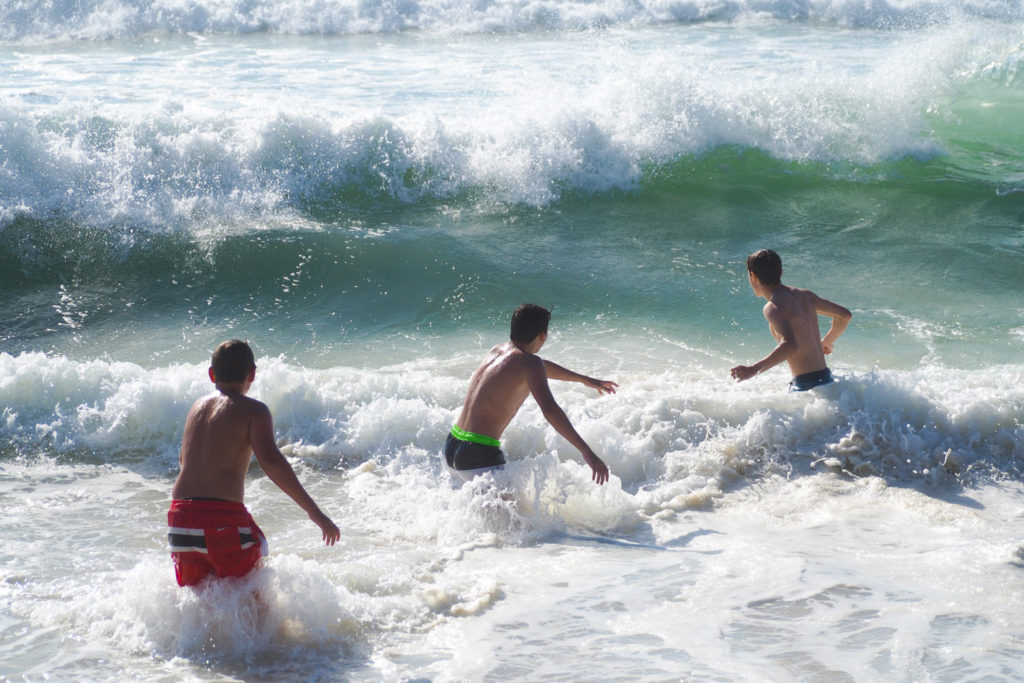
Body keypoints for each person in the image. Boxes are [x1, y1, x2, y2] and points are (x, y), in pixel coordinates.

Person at [168, 340, 340, 587]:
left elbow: (184, 460)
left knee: (201, 596)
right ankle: (263, 626)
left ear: (211, 374)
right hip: (221, 520)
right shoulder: (254, 411)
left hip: (180, 520)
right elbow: (271, 462)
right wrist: (314, 512)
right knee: (251, 586)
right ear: (253, 374)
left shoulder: (196, 408)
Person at [446, 304, 616, 485]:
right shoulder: (530, 364)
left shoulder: (498, 350)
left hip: (453, 444)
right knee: (512, 513)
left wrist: (585, 380)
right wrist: (587, 452)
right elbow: (550, 410)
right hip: (478, 453)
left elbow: (541, 366)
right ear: (543, 335)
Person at [730, 249, 852, 391]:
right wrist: (827, 342)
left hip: (806, 386)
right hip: (826, 380)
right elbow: (844, 315)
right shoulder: (805, 296)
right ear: (781, 272)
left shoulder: (772, 307)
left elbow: (790, 345)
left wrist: (753, 370)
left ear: (753, 276)